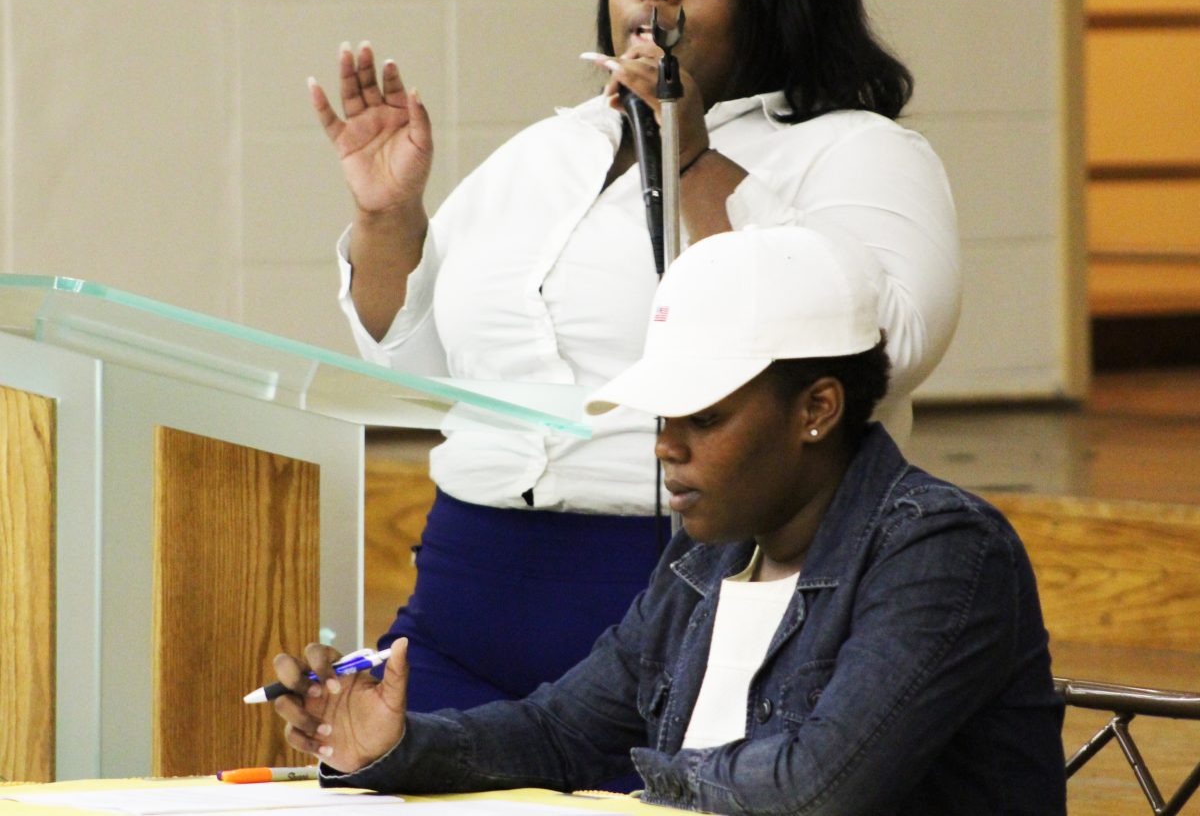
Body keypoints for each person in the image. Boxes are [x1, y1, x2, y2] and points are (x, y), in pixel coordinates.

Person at [311, 0, 961, 712]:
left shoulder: (854, 151)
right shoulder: (543, 153)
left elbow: (888, 347)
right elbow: (419, 372)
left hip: (681, 589)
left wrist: (688, 153)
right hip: (468, 593)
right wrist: (387, 217)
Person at [272, 227, 1064, 816]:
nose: (664, 446)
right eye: (661, 415)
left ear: (817, 409)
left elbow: (818, 789)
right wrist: (394, 746)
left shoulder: (940, 552)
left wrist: (649, 780)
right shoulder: (709, 557)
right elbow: (562, 732)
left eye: (705, 417)